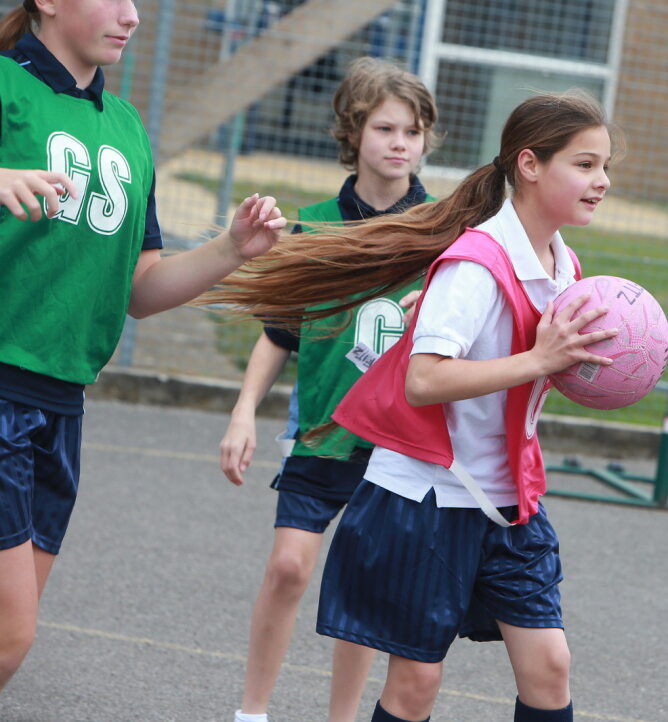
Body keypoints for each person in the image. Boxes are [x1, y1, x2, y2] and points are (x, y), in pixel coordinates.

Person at [201, 91, 618, 722]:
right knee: (416, 685)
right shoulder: (477, 264)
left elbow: (520, 376)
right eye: (585, 165)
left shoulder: (562, 264)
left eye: (604, 166)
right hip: (425, 498)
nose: (603, 181)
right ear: (531, 165)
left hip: (508, 501)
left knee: (550, 666)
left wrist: (582, 368)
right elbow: (423, 381)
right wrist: (539, 360)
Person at [0, 0, 285, 693]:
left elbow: (142, 289)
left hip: (61, 406)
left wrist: (229, 250)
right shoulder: (6, 87)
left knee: (12, 638)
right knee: (10, 632)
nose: (132, 15)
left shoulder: (125, 128)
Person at [219, 56, 439, 722]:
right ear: (355, 132)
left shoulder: (440, 231)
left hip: (394, 444)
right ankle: (252, 711)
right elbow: (280, 335)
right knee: (289, 567)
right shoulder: (312, 228)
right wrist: (242, 413)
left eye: (415, 130)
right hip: (320, 432)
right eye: (387, 128)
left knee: (362, 589)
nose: (401, 142)